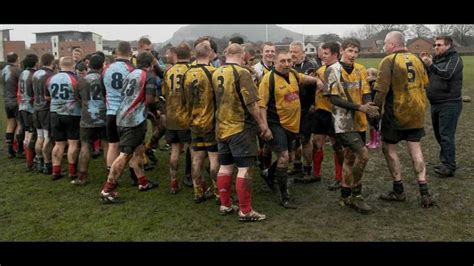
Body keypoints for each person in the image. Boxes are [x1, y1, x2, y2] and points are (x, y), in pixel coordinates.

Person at [373, 31, 434, 208]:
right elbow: (426, 83)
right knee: (415, 149)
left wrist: (375, 110)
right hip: (417, 111)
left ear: (392, 44)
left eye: (385, 43)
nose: (384, 46)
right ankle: (425, 192)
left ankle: (398, 190)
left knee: (388, 148)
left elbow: (381, 90)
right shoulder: (417, 59)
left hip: (396, 112)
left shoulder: (388, 61)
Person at [212, 43, 272, 221]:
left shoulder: (216, 72)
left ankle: (225, 204)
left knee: (225, 166)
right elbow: (252, 104)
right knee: (245, 169)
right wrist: (263, 125)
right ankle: (245, 211)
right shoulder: (242, 73)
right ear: (243, 54)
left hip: (221, 127)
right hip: (239, 127)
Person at [259, 49, 322, 209]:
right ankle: (284, 196)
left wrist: (316, 81)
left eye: (289, 61)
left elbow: (303, 78)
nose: (287, 64)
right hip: (276, 124)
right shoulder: (268, 80)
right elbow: (262, 106)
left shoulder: (293, 74)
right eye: (283, 61)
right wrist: (264, 127)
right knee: (284, 156)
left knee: (291, 156)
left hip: (293, 124)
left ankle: (268, 173)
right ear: (275, 62)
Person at [324, 39, 378, 214]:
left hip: (359, 121)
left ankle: (345, 194)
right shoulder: (332, 70)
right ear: (341, 51)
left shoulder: (361, 69)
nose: (353, 55)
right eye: (350, 51)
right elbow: (334, 99)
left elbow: (366, 92)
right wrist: (360, 107)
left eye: (356, 52)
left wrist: (369, 107)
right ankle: (356, 193)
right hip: (342, 122)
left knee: (349, 158)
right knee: (363, 155)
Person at [100, 52, 158, 203]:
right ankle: (107, 190)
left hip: (121, 116)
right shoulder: (149, 76)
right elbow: (150, 99)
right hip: (133, 120)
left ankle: (143, 182)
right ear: (151, 63)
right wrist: (156, 110)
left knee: (138, 150)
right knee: (125, 155)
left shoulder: (131, 74)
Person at [420, 35, 463, 178]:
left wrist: (431, 64)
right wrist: (425, 64)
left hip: (450, 103)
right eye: (435, 45)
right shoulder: (437, 59)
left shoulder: (455, 59)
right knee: (439, 135)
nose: (436, 47)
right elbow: (430, 76)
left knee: (446, 135)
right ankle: (446, 161)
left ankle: (449, 166)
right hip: (436, 103)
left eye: (439, 45)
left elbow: (447, 74)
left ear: (448, 46)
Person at [182, 41, 219, 203]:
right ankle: (219, 192)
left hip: (194, 122)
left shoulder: (186, 74)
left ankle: (198, 192)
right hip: (210, 123)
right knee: (214, 159)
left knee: (196, 158)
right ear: (210, 53)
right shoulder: (213, 72)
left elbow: (183, 99)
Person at [102, 41, 136, 183]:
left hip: (111, 111)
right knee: (132, 147)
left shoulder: (106, 69)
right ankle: (136, 176)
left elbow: (103, 90)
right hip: (127, 113)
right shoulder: (132, 69)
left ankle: (111, 176)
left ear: (116, 52)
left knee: (113, 145)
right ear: (130, 53)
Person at [162, 42, 193, 193]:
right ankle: (196, 181)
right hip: (186, 117)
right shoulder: (191, 71)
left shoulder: (169, 71)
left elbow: (164, 92)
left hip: (171, 116)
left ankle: (173, 182)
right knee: (193, 150)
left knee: (174, 150)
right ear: (190, 55)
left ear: (176, 55)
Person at [312, 42, 344, 191]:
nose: (322, 56)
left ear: (335, 54)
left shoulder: (341, 70)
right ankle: (316, 174)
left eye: (326, 53)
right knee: (317, 144)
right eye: (322, 53)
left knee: (337, 145)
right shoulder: (320, 70)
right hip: (320, 112)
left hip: (334, 112)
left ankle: (339, 177)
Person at [74, 54, 108, 185]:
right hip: (103, 117)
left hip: (87, 117)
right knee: (106, 146)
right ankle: (109, 175)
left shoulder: (81, 80)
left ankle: (82, 177)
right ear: (102, 65)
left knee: (85, 146)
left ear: (89, 65)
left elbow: (78, 98)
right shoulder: (104, 79)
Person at [46, 56, 81, 181]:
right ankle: (72, 171)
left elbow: (47, 97)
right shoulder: (76, 78)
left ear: (59, 65)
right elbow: (80, 97)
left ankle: (56, 170)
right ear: (73, 66)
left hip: (55, 112)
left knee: (59, 143)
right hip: (72, 113)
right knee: (73, 142)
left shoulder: (51, 79)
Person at [288, 41, 318, 182]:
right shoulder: (288, 66)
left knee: (305, 140)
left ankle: (308, 169)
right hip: (292, 110)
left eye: (295, 52)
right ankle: (297, 165)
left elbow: (317, 86)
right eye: (291, 51)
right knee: (294, 140)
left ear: (303, 53)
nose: (293, 54)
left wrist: (314, 103)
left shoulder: (310, 67)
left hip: (307, 110)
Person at [32, 53, 55, 174]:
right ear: (52, 62)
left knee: (39, 136)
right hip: (46, 109)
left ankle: (39, 161)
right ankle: (47, 164)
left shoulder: (35, 73)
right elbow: (50, 95)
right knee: (47, 137)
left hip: (36, 108)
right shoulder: (50, 75)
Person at [18, 54, 39, 170]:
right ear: (35, 63)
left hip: (22, 106)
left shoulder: (23, 73)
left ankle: (29, 159)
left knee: (27, 133)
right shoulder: (33, 75)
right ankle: (30, 161)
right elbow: (33, 92)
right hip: (30, 108)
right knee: (32, 134)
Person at [1, 52, 23, 159]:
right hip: (15, 100)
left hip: (6, 100)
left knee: (10, 123)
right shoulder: (17, 70)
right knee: (19, 124)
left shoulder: (3, 71)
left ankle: (10, 150)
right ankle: (19, 150)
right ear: (17, 59)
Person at [365, 68, 381, 149]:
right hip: (369, 107)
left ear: (374, 76)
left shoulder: (374, 85)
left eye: (368, 75)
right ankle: (371, 141)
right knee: (370, 125)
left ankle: (376, 142)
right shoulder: (368, 85)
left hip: (374, 108)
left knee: (375, 125)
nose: (366, 77)